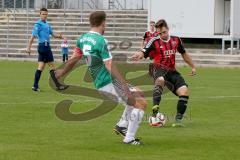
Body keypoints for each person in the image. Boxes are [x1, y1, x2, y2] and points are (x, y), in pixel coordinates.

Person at [51, 11, 147, 145]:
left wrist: (61, 72)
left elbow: (74, 59)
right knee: (141, 104)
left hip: (101, 82)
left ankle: (122, 125)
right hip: (108, 81)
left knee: (139, 93)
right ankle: (129, 138)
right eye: (105, 23)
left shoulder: (82, 39)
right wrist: (124, 84)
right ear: (103, 23)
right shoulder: (101, 41)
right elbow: (109, 65)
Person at [131, 19, 196, 127]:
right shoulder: (154, 41)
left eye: (163, 32)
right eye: (159, 33)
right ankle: (155, 109)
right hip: (157, 68)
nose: (161, 35)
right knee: (160, 80)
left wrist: (193, 66)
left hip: (172, 71)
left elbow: (184, 53)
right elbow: (144, 51)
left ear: (168, 29)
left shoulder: (176, 40)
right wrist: (139, 55)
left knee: (184, 93)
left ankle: (178, 121)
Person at [26, 8, 64, 91]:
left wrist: (60, 36)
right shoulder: (38, 25)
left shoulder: (47, 24)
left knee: (41, 67)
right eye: (43, 14)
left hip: (44, 47)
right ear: (40, 15)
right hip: (44, 47)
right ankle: (57, 85)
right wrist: (28, 47)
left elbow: (53, 34)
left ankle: (35, 86)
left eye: (46, 14)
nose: (45, 16)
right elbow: (32, 37)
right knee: (52, 66)